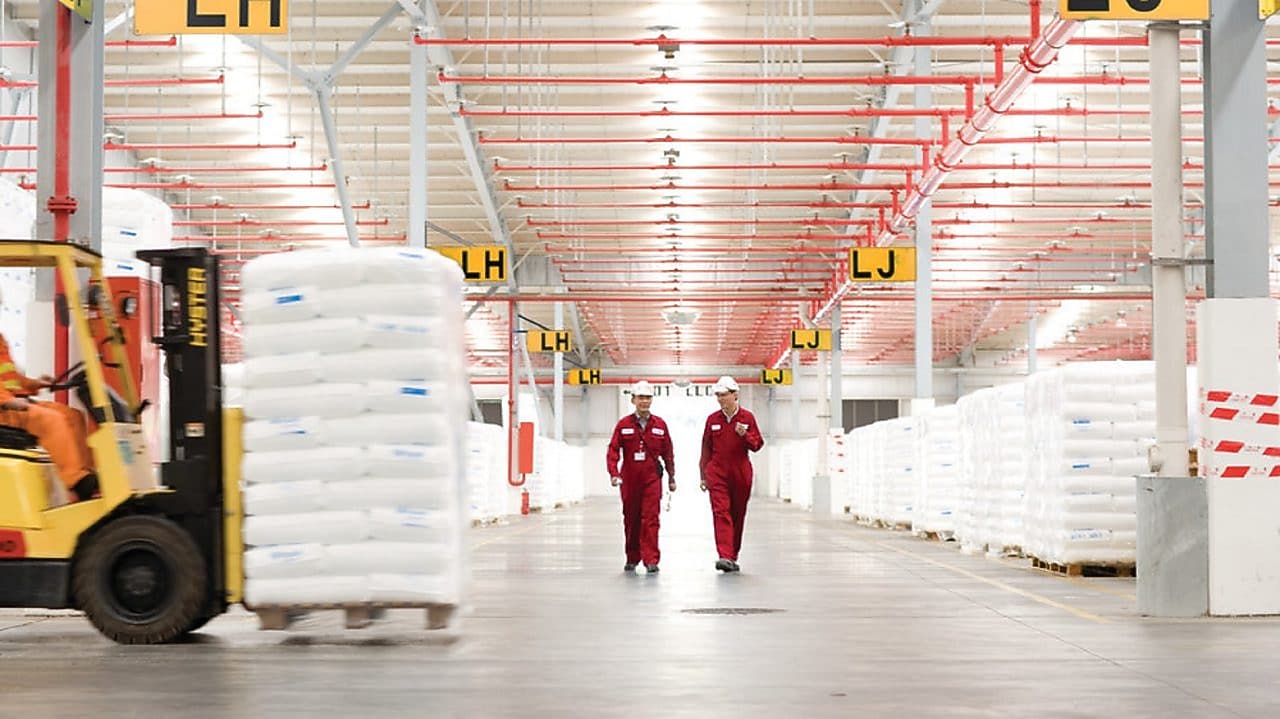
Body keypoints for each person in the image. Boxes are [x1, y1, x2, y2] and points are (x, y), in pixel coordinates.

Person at [0, 330, 98, 503]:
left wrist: (34, 383)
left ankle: (85, 474)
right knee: (52, 420)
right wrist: (7, 401)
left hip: (13, 401)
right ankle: (74, 481)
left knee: (73, 415)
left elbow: (9, 377)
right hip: (4, 409)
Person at [605, 380, 676, 574]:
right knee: (631, 518)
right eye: (641, 398)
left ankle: (651, 559)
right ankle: (632, 557)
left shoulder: (660, 425)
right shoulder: (623, 425)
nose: (644, 401)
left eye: (648, 398)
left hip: (652, 479)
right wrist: (614, 473)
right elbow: (612, 451)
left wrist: (671, 477)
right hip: (629, 480)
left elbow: (668, 453)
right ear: (633, 400)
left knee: (651, 518)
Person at [699, 376, 764, 573]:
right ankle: (724, 555)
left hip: (740, 472)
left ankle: (732, 555)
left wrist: (746, 434)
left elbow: (758, 445)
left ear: (735, 395)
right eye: (718, 395)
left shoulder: (747, 418)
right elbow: (706, 449)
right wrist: (703, 475)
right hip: (717, 473)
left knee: (737, 514)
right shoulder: (712, 420)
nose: (721, 399)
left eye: (724, 395)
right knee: (721, 512)